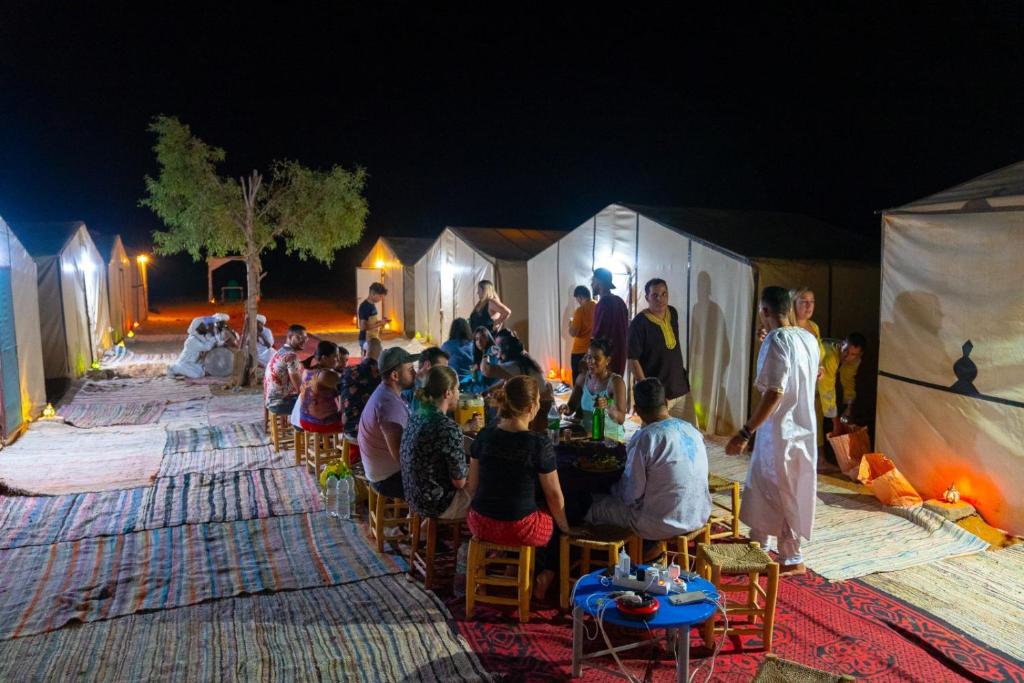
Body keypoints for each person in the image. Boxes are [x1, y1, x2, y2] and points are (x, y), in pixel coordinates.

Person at [726, 286, 819, 575]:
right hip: (801, 426)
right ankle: (758, 546)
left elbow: (775, 392)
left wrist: (745, 431)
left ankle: (792, 558)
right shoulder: (808, 338)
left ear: (765, 311)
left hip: (781, 430)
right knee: (766, 485)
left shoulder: (777, 340)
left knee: (783, 490)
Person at [467, 375, 571, 600]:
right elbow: (555, 497)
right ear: (532, 407)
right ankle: (546, 573)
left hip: (481, 523)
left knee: (522, 504)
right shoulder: (538, 444)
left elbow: (471, 487)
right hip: (519, 529)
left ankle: (509, 567)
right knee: (553, 519)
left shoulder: (484, 436)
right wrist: (566, 529)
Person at [586, 378, 711, 553]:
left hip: (662, 523)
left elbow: (630, 494)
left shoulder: (647, 437)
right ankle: (650, 548)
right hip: (697, 514)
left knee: (593, 504)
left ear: (637, 411)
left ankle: (603, 558)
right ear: (666, 403)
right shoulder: (691, 430)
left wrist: (608, 490)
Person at [400, 366, 472, 520]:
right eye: (457, 389)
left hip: (412, 496)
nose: (459, 394)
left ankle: (426, 529)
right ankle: (476, 537)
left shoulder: (416, 415)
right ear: (448, 392)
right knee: (483, 485)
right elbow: (459, 482)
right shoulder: (448, 428)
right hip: (435, 504)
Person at [358, 347, 417, 498]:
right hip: (387, 479)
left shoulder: (387, 392)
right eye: (410, 369)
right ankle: (427, 520)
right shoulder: (388, 405)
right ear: (395, 375)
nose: (415, 374)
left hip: (383, 472)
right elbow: (401, 456)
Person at [627, 278, 690, 418]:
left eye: (664, 294)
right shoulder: (639, 323)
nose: (660, 299)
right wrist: (647, 391)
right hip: (658, 395)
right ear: (647, 298)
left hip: (680, 388)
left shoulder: (672, 313)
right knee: (657, 434)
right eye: (655, 295)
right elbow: (632, 359)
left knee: (689, 433)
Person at [559, 338, 628, 442]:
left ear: (608, 360)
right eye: (589, 357)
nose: (591, 362)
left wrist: (607, 407)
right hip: (587, 435)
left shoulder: (616, 382)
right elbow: (571, 408)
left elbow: (621, 419)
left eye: (597, 358)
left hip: (610, 439)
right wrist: (565, 408)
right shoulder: (582, 378)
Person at [482, 330, 552, 431]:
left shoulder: (514, 365)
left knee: (497, 409)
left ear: (506, 348)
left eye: (497, 347)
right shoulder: (523, 360)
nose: (495, 350)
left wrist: (486, 354)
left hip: (536, 409)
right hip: (540, 405)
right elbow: (508, 378)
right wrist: (489, 390)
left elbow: (486, 370)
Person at [819, 332, 866, 437]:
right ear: (842, 343)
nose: (847, 356)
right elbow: (827, 390)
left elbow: (848, 381)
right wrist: (836, 424)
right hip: (800, 379)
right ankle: (819, 451)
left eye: (853, 354)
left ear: (859, 355)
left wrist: (849, 408)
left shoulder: (854, 361)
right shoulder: (830, 357)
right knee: (815, 415)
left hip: (819, 382)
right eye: (845, 350)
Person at [297, 341, 344, 433]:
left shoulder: (306, 371)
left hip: (304, 420)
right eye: (335, 356)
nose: (338, 359)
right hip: (322, 423)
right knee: (355, 418)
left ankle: (325, 442)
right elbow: (347, 387)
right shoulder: (326, 374)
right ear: (324, 358)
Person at [590, 267, 629, 375]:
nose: (592, 284)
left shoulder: (603, 303)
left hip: (604, 359)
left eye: (593, 281)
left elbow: (598, 334)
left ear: (598, 281)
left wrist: (588, 357)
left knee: (603, 389)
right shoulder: (620, 302)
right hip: (620, 355)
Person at [263, 324, 308, 415]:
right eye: (299, 337)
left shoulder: (281, 351)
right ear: (290, 337)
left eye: (305, 338)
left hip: (270, 401)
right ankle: (301, 427)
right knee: (318, 403)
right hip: (280, 404)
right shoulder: (291, 356)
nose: (303, 341)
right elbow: (299, 388)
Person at [340, 355, 380, 441]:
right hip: (365, 434)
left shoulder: (346, 371)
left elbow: (340, 400)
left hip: (347, 430)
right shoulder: (379, 376)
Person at [403, 346, 450, 412]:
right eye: (442, 369)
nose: (444, 373)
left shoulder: (432, 386)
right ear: (427, 365)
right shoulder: (407, 389)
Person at [568, 285, 596, 386]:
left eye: (577, 299)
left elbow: (573, 333)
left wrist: (570, 324)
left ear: (580, 297)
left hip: (579, 351)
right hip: (593, 350)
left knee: (578, 382)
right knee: (592, 381)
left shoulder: (580, 311)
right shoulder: (597, 307)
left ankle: (578, 401)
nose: (578, 302)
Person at [358, 282, 389, 361]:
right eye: (380, 296)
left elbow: (371, 322)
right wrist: (380, 324)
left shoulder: (372, 305)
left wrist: (381, 321)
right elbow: (363, 327)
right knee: (369, 363)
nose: (381, 299)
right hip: (366, 340)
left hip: (373, 338)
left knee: (376, 361)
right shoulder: (365, 306)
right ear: (373, 293)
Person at [441, 318, 475, 383]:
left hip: (450, 383)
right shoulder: (473, 346)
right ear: (468, 330)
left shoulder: (446, 346)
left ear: (452, 330)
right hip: (469, 384)